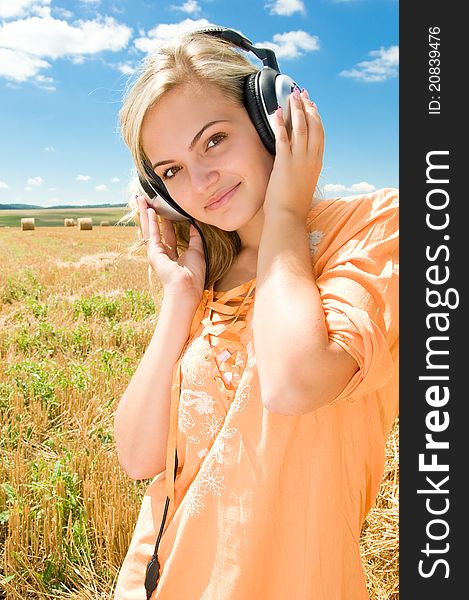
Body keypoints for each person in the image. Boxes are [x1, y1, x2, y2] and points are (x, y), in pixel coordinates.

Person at [113, 25, 399, 600]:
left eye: (213, 141)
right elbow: (141, 458)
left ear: (272, 114)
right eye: (170, 171)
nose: (198, 182)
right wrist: (178, 302)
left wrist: (287, 214)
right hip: (156, 580)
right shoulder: (209, 271)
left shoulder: (375, 228)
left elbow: (295, 383)